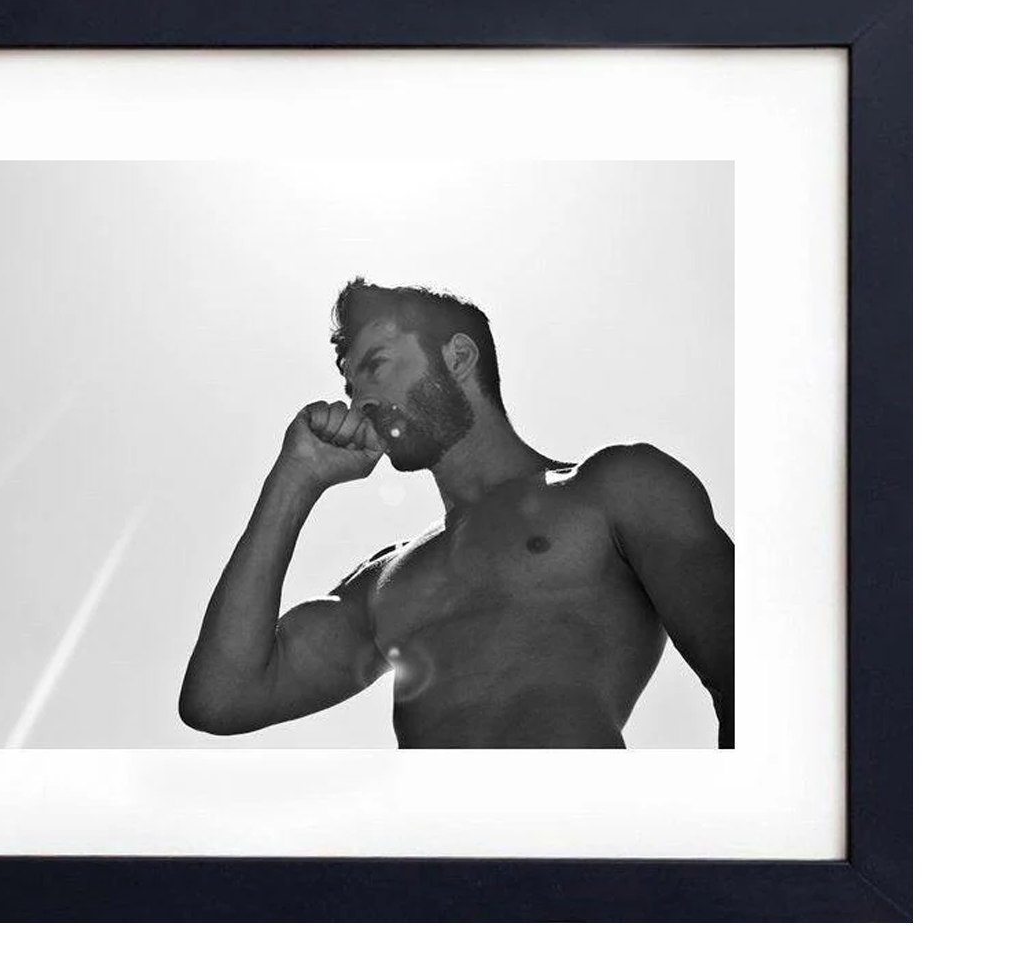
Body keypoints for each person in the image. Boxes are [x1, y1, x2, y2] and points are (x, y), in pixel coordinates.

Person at [178, 278, 734, 749]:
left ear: (459, 358)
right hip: (423, 864)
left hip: (574, 856)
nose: (359, 402)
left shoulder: (617, 486)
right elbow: (222, 699)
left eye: (377, 366)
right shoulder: (389, 578)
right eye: (350, 386)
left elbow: (752, 686)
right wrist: (295, 478)